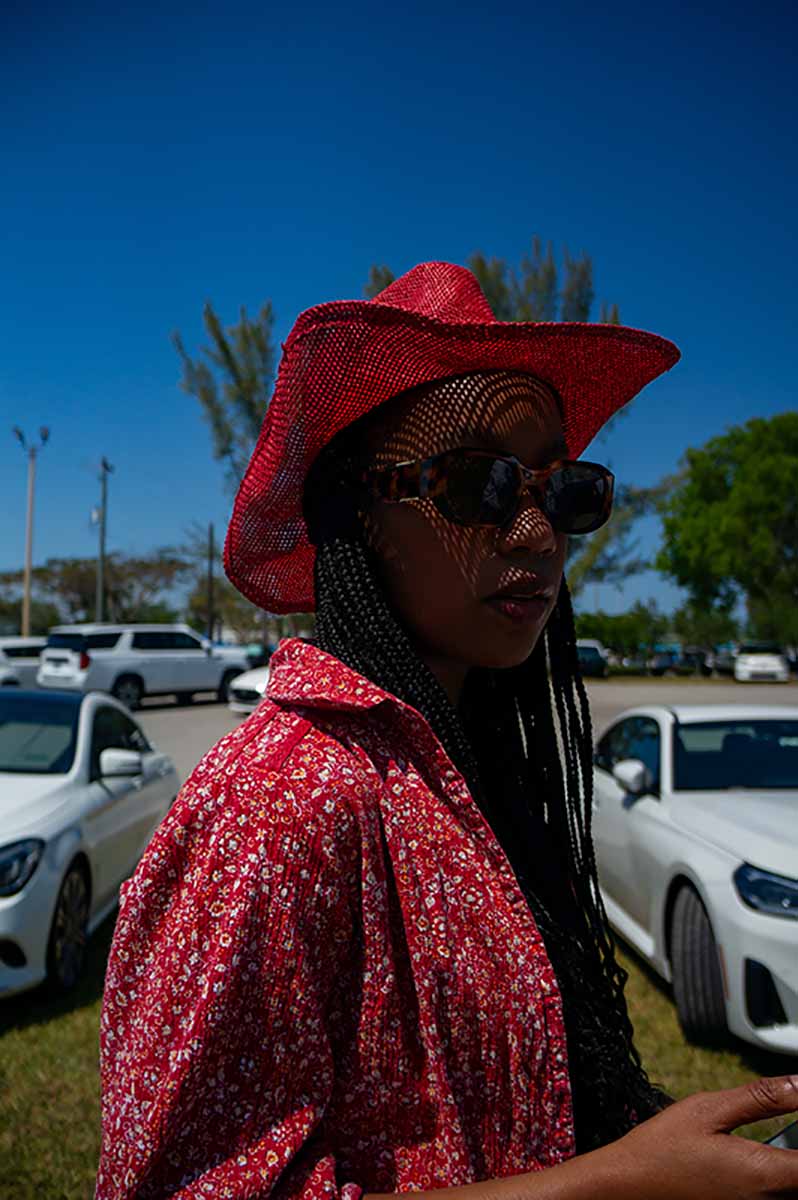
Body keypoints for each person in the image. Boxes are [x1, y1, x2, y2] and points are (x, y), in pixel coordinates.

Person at [96, 263, 798, 1200]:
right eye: (478, 485)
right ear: (363, 517)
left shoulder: (474, 764)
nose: (538, 535)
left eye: (565, 491)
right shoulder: (281, 800)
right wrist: (617, 1184)